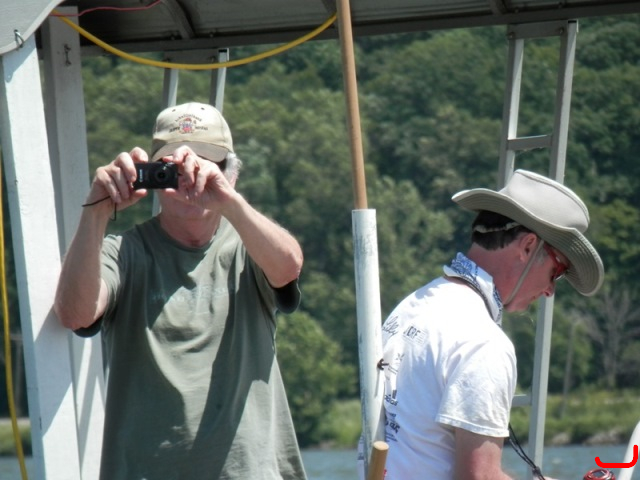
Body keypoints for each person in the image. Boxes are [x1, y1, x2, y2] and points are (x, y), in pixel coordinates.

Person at [54, 102, 307, 480]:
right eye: (172, 169)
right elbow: (76, 314)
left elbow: (288, 268)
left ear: (231, 173)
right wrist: (96, 211)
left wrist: (227, 201)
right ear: (150, 175)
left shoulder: (249, 246)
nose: (190, 179)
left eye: (205, 166)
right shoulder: (122, 253)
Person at [380, 169, 604, 479]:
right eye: (557, 271)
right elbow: (479, 477)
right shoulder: (483, 342)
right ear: (528, 247)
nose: (550, 290)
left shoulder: (409, 308)